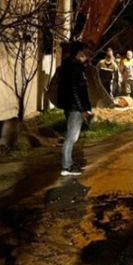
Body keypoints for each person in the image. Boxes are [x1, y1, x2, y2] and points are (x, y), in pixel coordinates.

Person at [56, 41, 93, 176]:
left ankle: (69, 162)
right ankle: (66, 166)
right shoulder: (74, 68)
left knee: (72, 136)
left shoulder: (70, 65)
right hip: (74, 107)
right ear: (79, 53)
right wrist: (82, 109)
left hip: (70, 105)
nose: (86, 55)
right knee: (71, 137)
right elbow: (75, 91)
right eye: (84, 52)